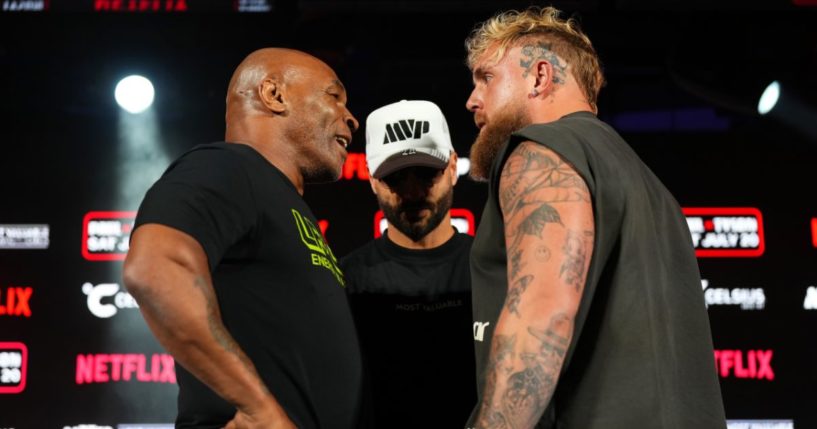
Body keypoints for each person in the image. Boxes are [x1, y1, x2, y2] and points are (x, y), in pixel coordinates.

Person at [462, 7, 727, 429]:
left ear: (539, 76)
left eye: (486, 77)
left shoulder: (539, 150)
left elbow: (543, 313)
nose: (472, 100)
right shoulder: (654, 189)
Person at [122, 48, 362, 429]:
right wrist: (259, 409)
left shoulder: (281, 200)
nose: (351, 118)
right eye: (334, 97)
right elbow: (155, 268)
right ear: (274, 95)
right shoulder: (230, 166)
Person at [341, 100, 477, 428]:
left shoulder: (493, 270)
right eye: (396, 178)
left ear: (453, 167)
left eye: (427, 172)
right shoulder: (347, 280)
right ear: (373, 180)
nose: (413, 192)